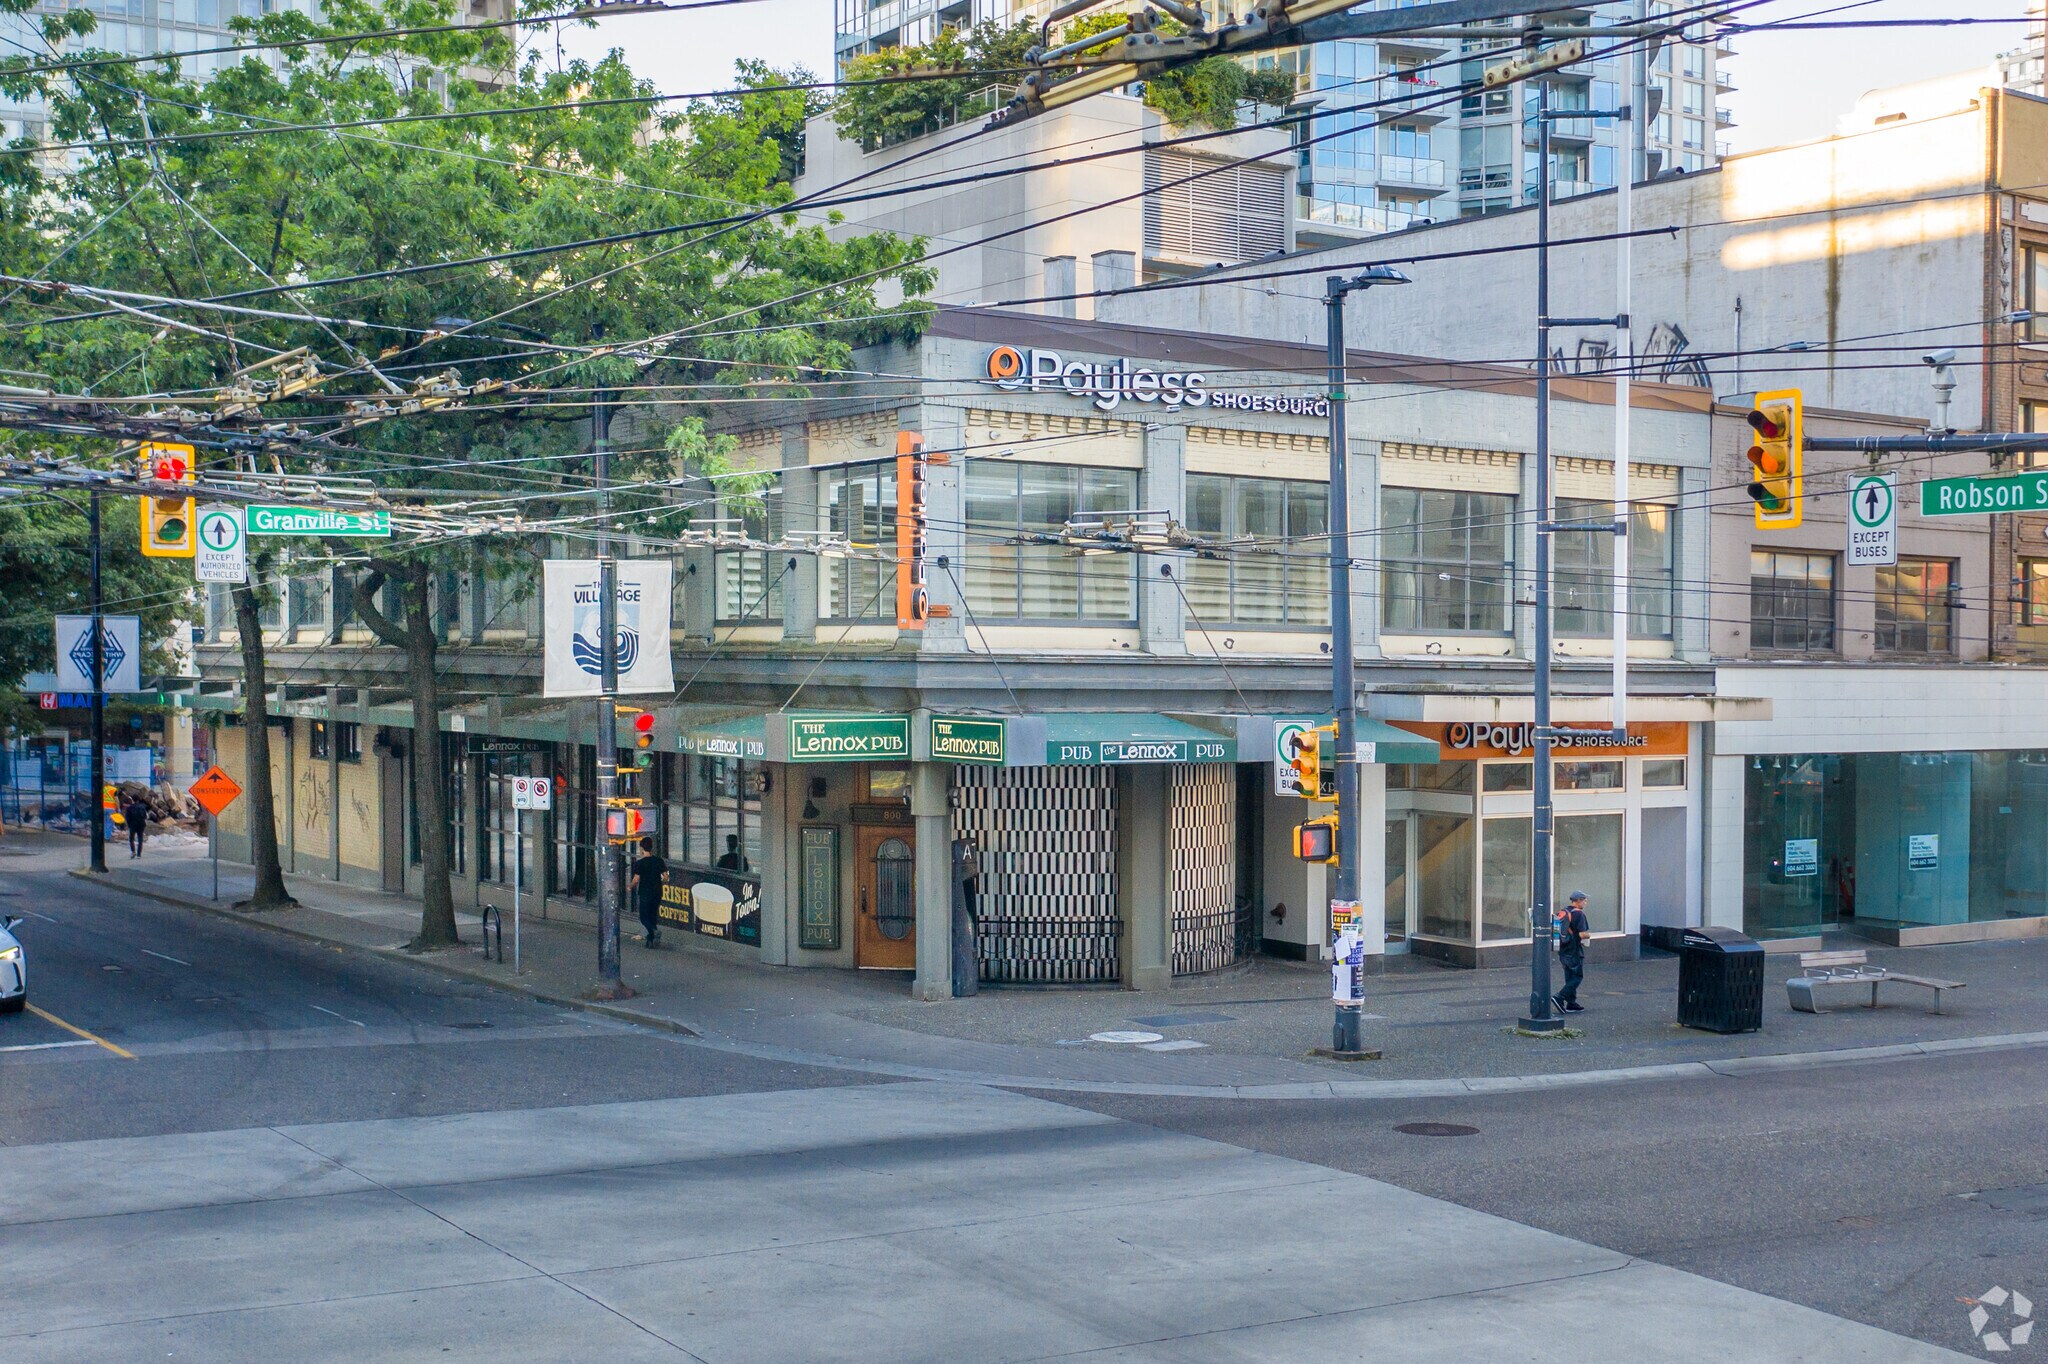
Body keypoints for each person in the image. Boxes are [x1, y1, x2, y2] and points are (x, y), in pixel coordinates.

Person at [1553, 891, 1591, 1014]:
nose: (1586, 902)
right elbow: (1582, 934)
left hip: (1563, 948)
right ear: (1578, 901)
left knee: (1569, 975)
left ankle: (1571, 1003)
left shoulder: (1563, 912)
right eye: (1584, 900)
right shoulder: (1579, 914)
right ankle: (1559, 996)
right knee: (1577, 976)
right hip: (1573, 949)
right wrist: (1589, 935)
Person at [628, 836, 666, 947]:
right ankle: (651, 941)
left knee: (644, 917)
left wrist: (630, 887)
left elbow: (636, 879)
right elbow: (666, 876)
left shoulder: (640, 863)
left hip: (645, 892)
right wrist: (661, 881)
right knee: (652, 916)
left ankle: (653, 931)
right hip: (657, 892)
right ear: (651, 847)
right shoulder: (659, 861)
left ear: (641, 848)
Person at [121, 791, 152, 859]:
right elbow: (145, 816)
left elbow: (127, 817)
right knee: (140, 839)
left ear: (133, 800)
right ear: (138, 800)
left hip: (133, 824)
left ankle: (133, 851)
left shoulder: (130, 808)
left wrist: (129, 825)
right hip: (141, 824)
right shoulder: (142, 807)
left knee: (131, 838)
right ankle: (139, 854)